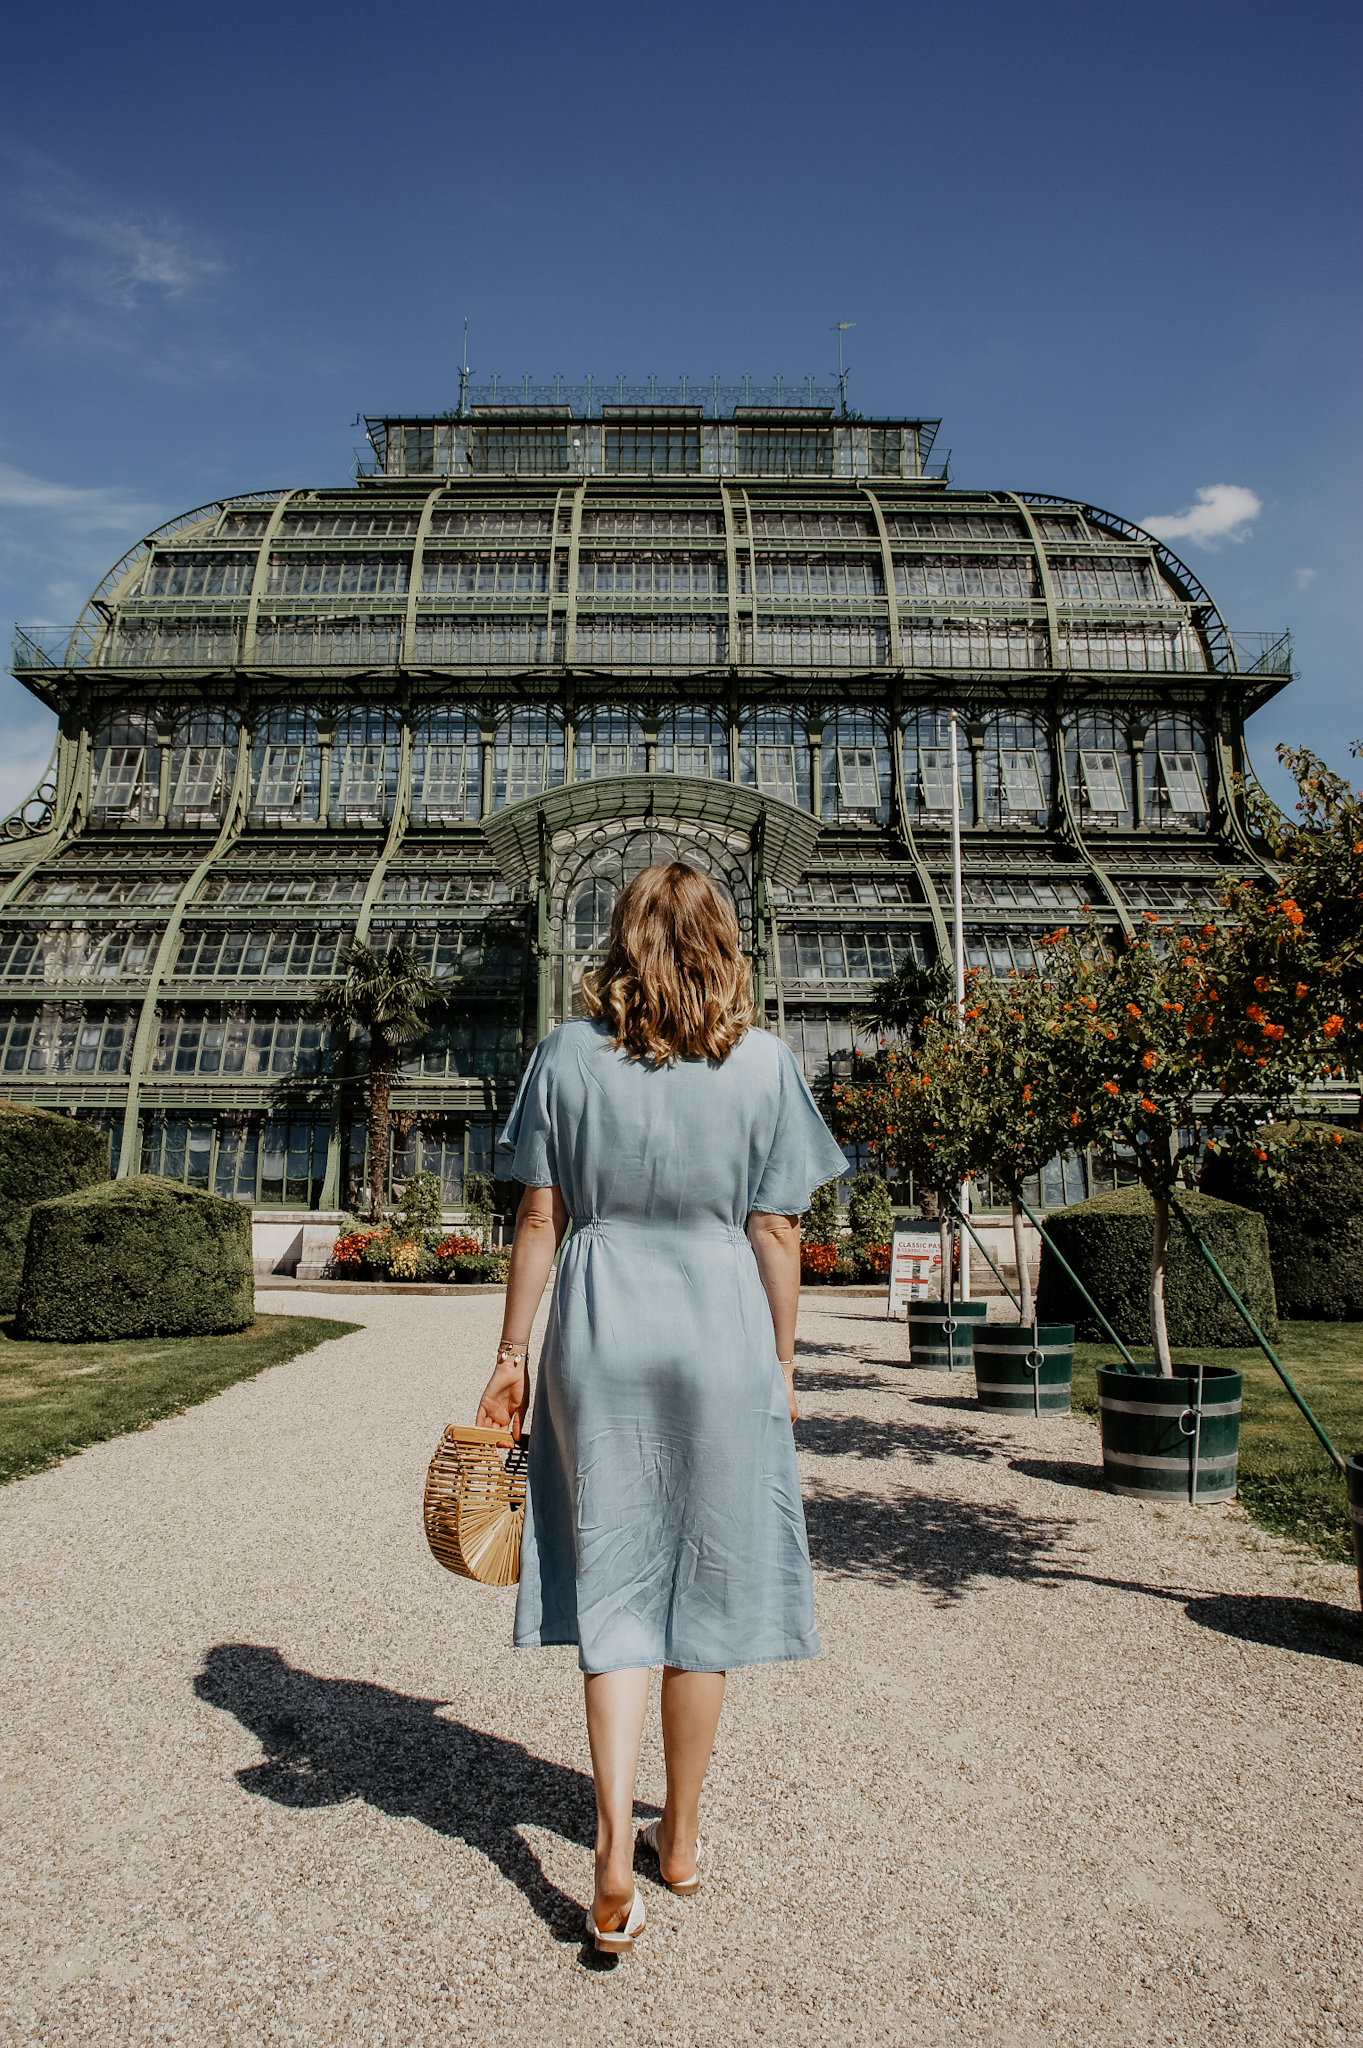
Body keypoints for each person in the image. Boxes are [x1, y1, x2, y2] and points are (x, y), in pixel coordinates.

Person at [475, 861, 847, 1954]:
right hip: (720, 1325)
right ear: (725, 941)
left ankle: (604, 1852)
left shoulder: (564, 1053)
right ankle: (676, 1837)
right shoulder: (768, 1063)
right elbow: (776, 1232)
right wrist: (781, 1363)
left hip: (598, 1326)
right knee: (707, 1587)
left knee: (617, 1577)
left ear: (619, 940)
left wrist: (509, 1352)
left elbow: (538, 1217)